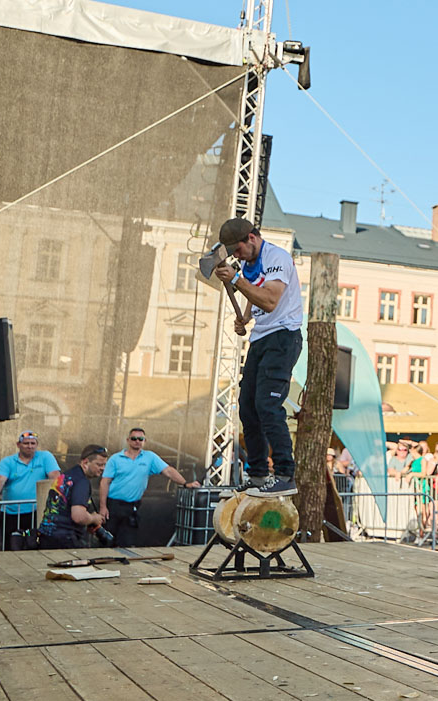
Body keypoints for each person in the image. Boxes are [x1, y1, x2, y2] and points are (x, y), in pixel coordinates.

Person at [211, 218, 304, 494]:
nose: (237, 256)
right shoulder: (250, 264)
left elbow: (270, 299)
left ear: (251, 238)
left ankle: (285, 473)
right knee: (247, 406)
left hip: (283, 336)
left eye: (238, 250)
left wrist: (235, 279)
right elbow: (256, 293)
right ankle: (258, 475)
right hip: (260, 338)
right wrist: (245, 317)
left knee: (268, 404)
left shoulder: (277, 258)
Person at [100, 428, 191, 548]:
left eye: (140, 439)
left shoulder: (150, 457)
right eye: (134, 438)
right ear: (128, 440)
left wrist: (185, 483)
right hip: (113, 505)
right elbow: (104, 482)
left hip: (132, 507)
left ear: (145, 441)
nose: (137, 441)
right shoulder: (115, 459)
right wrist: (103, 506)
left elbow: (168, 471)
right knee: (107, 541)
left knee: (127, 543)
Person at [0, 430, 61, 547]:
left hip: (37, 512)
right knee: (10, 546)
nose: (30, 446)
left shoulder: (45, 457)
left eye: (33, 443)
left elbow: (55, 476)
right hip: (11, 513)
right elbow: (0, 480)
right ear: (18, 445)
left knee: (35, 545)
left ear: (37, 445)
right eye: (26, 443)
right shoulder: (7, 461)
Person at [35, 444, 109, 550]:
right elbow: (79, 516)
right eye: (99, 464)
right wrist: (94, 518)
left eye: (104, 465)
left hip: (46, 535)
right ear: (85, 462)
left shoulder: (66, 475)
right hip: (65, 540)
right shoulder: (82, 482)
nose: (103, 468)